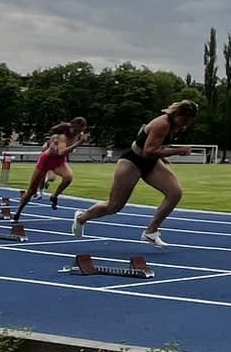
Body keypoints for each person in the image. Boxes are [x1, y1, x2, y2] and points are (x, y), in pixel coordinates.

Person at [73, 101, 198, 248]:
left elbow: (144, 132)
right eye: (184, 120)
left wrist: (162, 155)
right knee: (114, 206)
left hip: (150, 163)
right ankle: (81, 218)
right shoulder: (162, 123)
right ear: (177, 114)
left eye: (189, 122)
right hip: (132, 162)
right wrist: (178, 151)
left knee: (175, 193)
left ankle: (151, 232)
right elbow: (148, 151)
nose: (186, 125)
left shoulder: (175, 125)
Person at [14, 117, 88, 224]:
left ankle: (54, 196)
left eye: (79, 131)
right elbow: (61, 152)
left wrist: (78, 140)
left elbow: (62, 155)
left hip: (59, 162)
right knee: (31, 191)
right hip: (46, 161)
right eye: (75, 131)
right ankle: (18, 212)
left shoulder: (79, 135)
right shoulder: (61, 137)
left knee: (68, 177)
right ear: (71, 127)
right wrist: (78, 144)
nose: (76, 133)